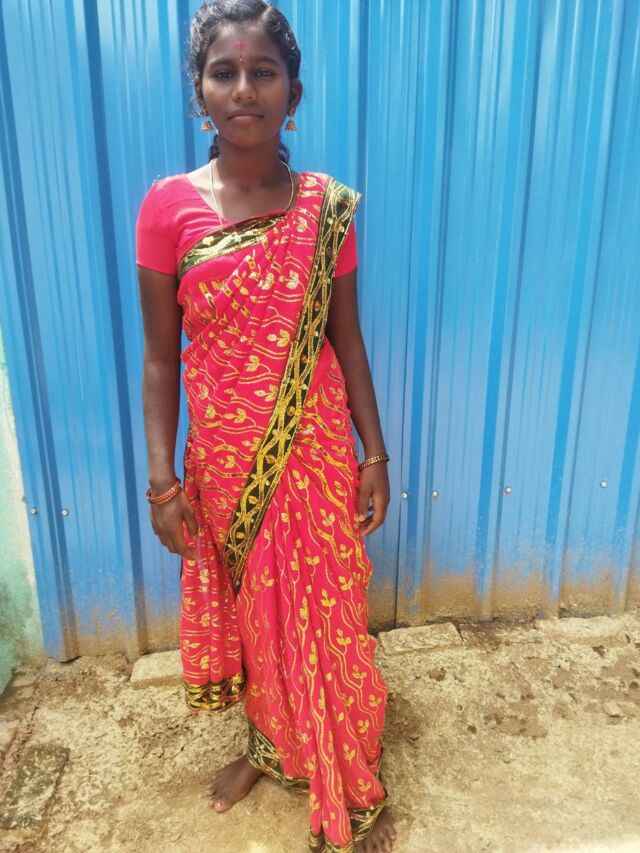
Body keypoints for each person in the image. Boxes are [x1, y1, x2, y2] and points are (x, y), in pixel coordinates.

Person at [136, 2, 395, 851]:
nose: (244, 88)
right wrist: (162, 481)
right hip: (225, 459)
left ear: (294, 93)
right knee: (257, 611)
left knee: (323, 610)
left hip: (312, 451)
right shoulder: (167, 209)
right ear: (199, 92)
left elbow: (345, 339)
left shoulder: (325, 208)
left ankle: (341, 762)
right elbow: (161, 360)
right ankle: (268, 743)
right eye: (225, 72)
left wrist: (375, 451)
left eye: (264, 71)